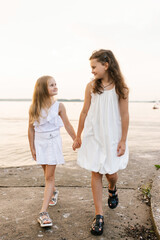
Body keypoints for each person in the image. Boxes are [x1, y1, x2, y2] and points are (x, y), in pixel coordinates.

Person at [73, 49, 129, 236]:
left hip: (112, 137)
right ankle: (99, 215)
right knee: (95, 172)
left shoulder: (121, 88)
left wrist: (123, 139)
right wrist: (78, 136)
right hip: (93, 135)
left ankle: (112, 188)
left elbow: (124, 115)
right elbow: (84, 112)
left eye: (93, 67)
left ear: (106, 65)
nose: (92, 71)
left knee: (111, 174)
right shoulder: (91, 87)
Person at [28, 75, 76, 227]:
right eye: (51, 85)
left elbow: (67, 125)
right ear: (42, 89)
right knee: (45, 171)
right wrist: (32, 148)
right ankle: (54, 192)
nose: (55, 87)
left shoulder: (59, 106)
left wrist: (76, 139)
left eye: (56, 84)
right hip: (40, 143)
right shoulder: (34, 107)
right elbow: (30, 129)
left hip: (53, 143)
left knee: (49, 177)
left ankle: (43, 213)